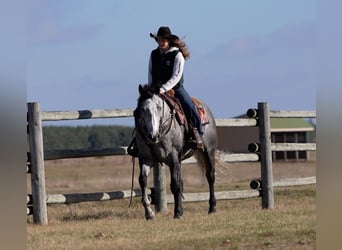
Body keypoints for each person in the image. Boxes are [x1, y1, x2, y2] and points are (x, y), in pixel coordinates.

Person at [148, 26, 204, 149]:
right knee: (144, 107)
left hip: (175, 88)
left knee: (188, 105)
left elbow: (176, 76)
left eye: (163, 40)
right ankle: (140, 139)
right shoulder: (154, 54)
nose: (161, 42)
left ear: (169, 41)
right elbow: (150, 73)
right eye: (159, 40)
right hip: (156, 89)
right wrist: (152, 88)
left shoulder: (177, 55)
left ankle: (199, 135)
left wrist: (164, 88)